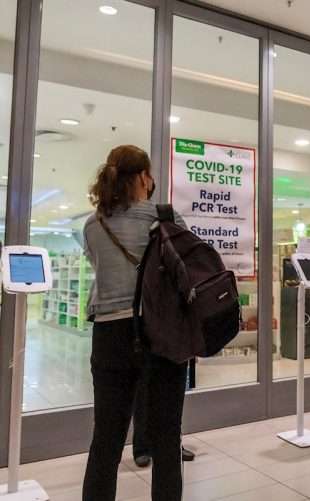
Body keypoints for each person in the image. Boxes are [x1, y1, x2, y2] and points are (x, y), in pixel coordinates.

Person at [82, 145, 188, 500]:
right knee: (167, 437)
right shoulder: (165, 217)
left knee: (106, 440)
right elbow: (185, 273)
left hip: (109, 334)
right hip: (159, 333)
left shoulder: (93, 224)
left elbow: (100, 267)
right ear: (144, 177)